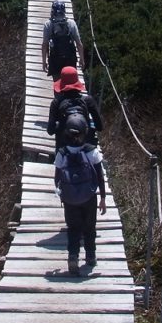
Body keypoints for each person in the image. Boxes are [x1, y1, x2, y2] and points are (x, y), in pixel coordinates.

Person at [54, 114, 107, 275]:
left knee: (73, 228)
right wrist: (103, 198)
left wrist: (63, 195)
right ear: (84, 131)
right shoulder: (91, 151)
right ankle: (90, 256)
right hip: (89, 197)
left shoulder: (62, 153)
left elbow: (57, 178)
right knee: (89, 228)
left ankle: (73, 257)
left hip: (70, 199)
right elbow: (99, 176)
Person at [47, 65, 103, 148]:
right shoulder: (88, 101)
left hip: (64, 149)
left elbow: (50, 131)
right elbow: (99, 127)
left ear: (61, 84)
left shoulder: (56, 103)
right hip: (85, 147)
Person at [42, 0, 85, 78]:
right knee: (69, 81)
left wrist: (44, 61)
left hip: (55, 60)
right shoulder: (71, 23)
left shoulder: (48, 24)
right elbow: (79, 43)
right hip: (70, 59)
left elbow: (45, 45)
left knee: (57, 82)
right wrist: (82, 59)